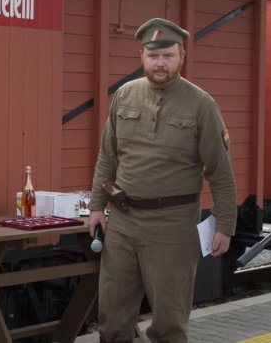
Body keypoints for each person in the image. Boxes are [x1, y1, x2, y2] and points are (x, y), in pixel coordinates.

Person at [88, 18, 237, 343]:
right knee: (112, 323)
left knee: (169, 326)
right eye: (153, 56)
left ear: (182, 56)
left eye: (168, 55)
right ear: (141, 55)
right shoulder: (125, 95)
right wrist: (97, 207)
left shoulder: (201, 105)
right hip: (124, 224)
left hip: (173, 228)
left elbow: (220, 172)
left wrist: (225, 224)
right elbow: (108, 157)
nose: (160, 63)